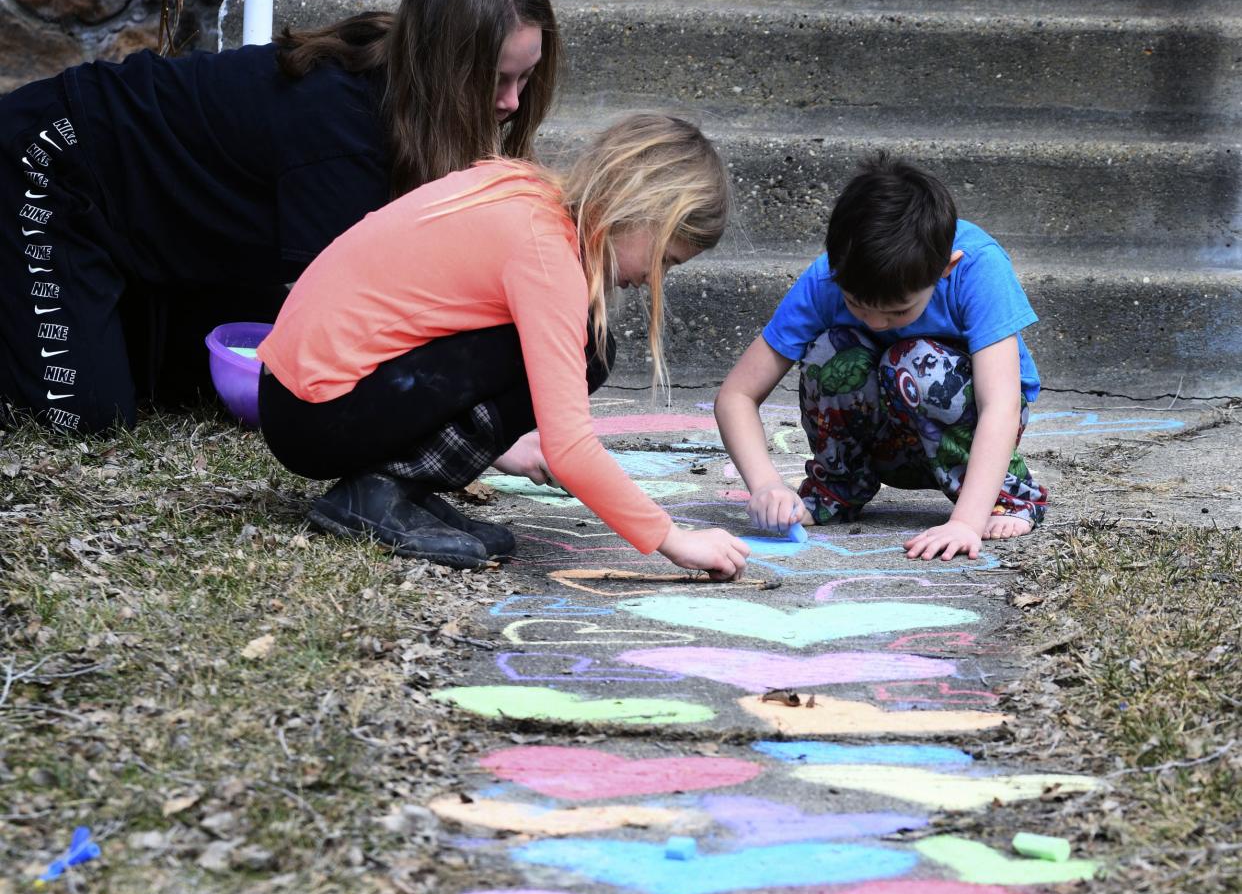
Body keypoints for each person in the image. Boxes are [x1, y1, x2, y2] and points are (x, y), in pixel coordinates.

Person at [0, 0, 559, 435]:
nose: (511, 101)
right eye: (493, 80)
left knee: (210, 385)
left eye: (525, 77)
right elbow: (369, 321)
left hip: (165, 226)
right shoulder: (342, 134)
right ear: (441, 67)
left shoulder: (405, 84)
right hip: (51, 166)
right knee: (82, 416)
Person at [256, 112, 751, 577]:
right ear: (645, 211)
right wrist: (674, 538)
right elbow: (571, 448)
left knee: (589, 345)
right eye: (664, 260)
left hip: (299, 398)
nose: (650, 279)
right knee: (589, 351)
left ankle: (402, 486)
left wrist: (503, 445)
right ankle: (381, 490)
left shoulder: (526, 193)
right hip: (316, 416)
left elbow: (428, 321)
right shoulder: (546, 258)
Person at [714, 152, 1048, 561]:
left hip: (967, 436)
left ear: (945, 268)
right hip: (884, 439)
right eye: (856, 303)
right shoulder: (827, 278)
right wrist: (765, 484)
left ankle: (1008, 497)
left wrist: (967, 522)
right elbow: (737, 396)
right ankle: (839, 489)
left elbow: (1001, 403)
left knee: (911, 359)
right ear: (836, 269)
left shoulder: (977, 267)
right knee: (830, 350)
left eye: (898, 311)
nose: (875, 322)